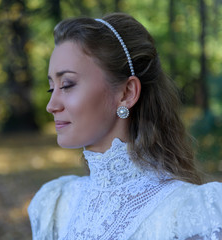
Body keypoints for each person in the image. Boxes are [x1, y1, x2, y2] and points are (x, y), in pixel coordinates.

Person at [28, 13, 222, 240]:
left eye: (68, 84)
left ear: (127, 93)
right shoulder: (55, 205)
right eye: (52, 88)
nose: (51, 105)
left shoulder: (191, 213)